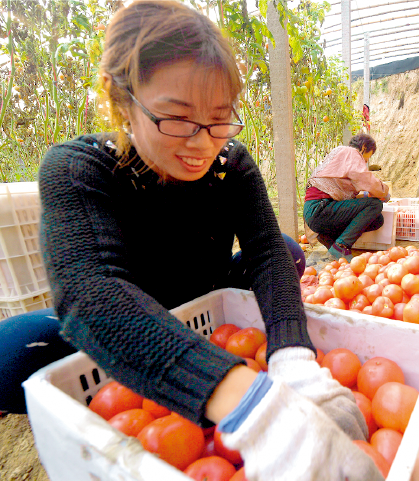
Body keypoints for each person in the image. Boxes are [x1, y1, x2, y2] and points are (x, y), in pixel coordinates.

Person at [0, 2, 383, 480]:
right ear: (124, 103)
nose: (203, 142)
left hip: (205, 291)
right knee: (12, 352)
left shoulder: (231, 165)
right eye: (177, 118)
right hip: (129, 306)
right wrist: (254, 408)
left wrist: (293, 358)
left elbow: (262, 250)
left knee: (283, 251)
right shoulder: (79, 169)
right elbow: (90, 291)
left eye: (219, 119)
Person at [303, 133, 390, 261]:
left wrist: (366, 194)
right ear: (364, 147)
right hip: (320, 209)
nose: (365, 162)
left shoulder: (339, 154)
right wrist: (383, 191)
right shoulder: (351, 153)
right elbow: (366, 179)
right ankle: (341, 246)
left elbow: (345, 196)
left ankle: (328, 237)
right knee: (375, 205)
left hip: (316, 212)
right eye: (368, 157)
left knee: (377, 219)